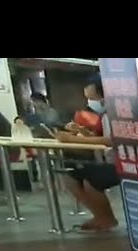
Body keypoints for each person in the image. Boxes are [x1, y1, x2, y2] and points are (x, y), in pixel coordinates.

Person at [55, 77, 121, 232]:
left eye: (92, 98)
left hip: (126, 162)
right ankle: (101, 216)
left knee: (92, 178)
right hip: (111, 160)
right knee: (71, 176)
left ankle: (106, 219)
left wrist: (71, 139)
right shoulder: (105, 115)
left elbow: (113, 140)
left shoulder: (118, 112)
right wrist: (83, 132)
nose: (90, 102)